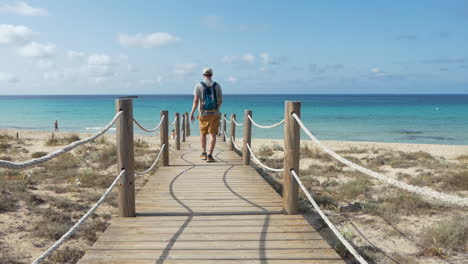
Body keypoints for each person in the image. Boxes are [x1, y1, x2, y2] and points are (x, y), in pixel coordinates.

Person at [190, 68, 223, 162]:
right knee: (213, 134)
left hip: (203, 113)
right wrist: (217, 109)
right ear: (212, 75)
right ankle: (210, 155)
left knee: (203, 133)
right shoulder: (217, 85)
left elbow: (196, 101)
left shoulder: (198, 85)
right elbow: (220, 100)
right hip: (214, 113)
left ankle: (203, 153)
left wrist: (192, 113)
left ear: (203, 74)